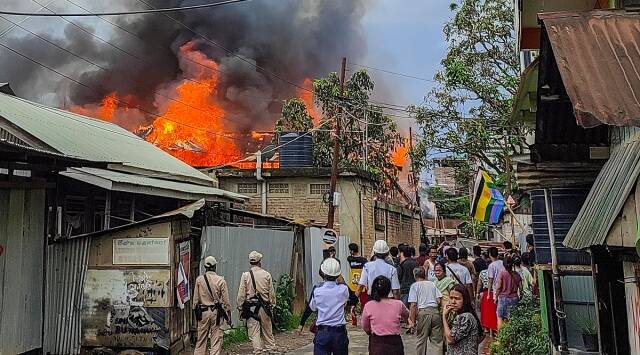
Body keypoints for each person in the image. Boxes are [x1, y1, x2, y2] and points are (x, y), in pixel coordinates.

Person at [237, 251, 276, 355]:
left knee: (254, 332)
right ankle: (270, 349)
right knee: (267, 330)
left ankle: (258, 351)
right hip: (264, 306)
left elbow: (241, 294)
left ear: (250, 262)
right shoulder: (266, 274)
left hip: (251, 307)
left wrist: (240, 306)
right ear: (260, 262)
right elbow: (271, 293)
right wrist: (272, 305)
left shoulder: (245, 276)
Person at [310, 258, 350, 355]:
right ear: (338, 274)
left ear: (323, 273)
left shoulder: (317, 290)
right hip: (339, 333)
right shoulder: (343, 289)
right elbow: (349, 297)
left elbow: (312, 307)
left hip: (323, 332)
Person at [193, 256, 231, 355]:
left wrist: (196, 314)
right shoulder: (221, 280)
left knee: (201, 340)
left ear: (205, 267)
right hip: (216, 313)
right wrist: (228, 316)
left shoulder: (199, 280)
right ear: (215, 267)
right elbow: (226, 302)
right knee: (216, 339)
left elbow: (195, 301)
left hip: (203, 312)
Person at [362, 276, 409, 355]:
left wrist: (371, 331)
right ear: (389, 290)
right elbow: (407, 315)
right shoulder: (398, 304)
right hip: (395, 343)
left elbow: (365, 327)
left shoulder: (369, 305)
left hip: (377, 343)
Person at [408, 267, 443, 355]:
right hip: (435, 312)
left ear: (415, 276)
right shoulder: (432, 284)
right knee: (437, 342)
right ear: (425, 275)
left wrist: (412, 321)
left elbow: (413, 305)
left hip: (423, 312)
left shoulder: (414, 286)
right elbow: (439, 300)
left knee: (421, 340)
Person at [442, 285, 483, 355]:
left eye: (457, 299)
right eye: (451, 298)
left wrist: (444, 316)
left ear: (465, 300)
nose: (453, 301)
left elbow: (450, 339)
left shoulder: (465, 317)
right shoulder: (464, 315)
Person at [495, 255, 522, 329]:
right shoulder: (517, 274)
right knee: (512, 319)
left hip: (503, 299)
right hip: (514, 299)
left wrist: (496, 297)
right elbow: (521, 289)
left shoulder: (502, 274)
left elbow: (499, 287)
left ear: (504, 264)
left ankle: (501, 337)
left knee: (500, 318)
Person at [347, 242, 368, 318]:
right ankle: (364, 318)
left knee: (353, 302)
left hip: (353, 284)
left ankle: (354, 320)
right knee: (364, 303)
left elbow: (350, 257)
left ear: (351, 251)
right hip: (362, 284)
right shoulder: (364, 260)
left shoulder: (349, 259)